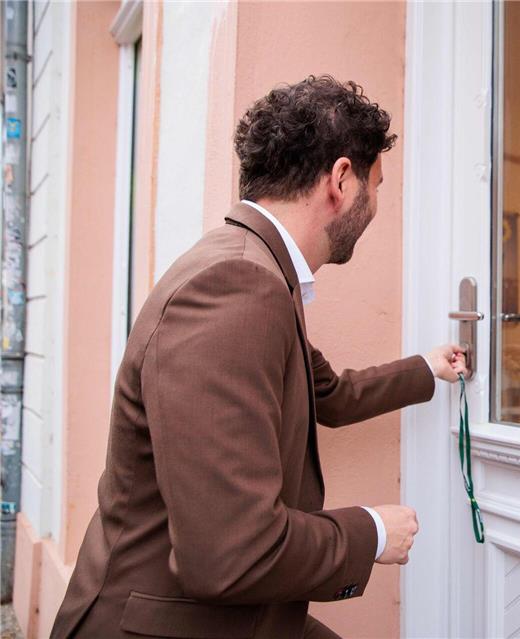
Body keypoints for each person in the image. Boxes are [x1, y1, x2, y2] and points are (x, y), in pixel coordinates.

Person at [51, 75, 466, 639]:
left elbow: (329, 393)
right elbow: (231, 553)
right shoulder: (236, 286)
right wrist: (371, 532)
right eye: (378, 184)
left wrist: (428, 368)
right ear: (341, 180)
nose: (377, 207)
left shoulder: (259, 271)